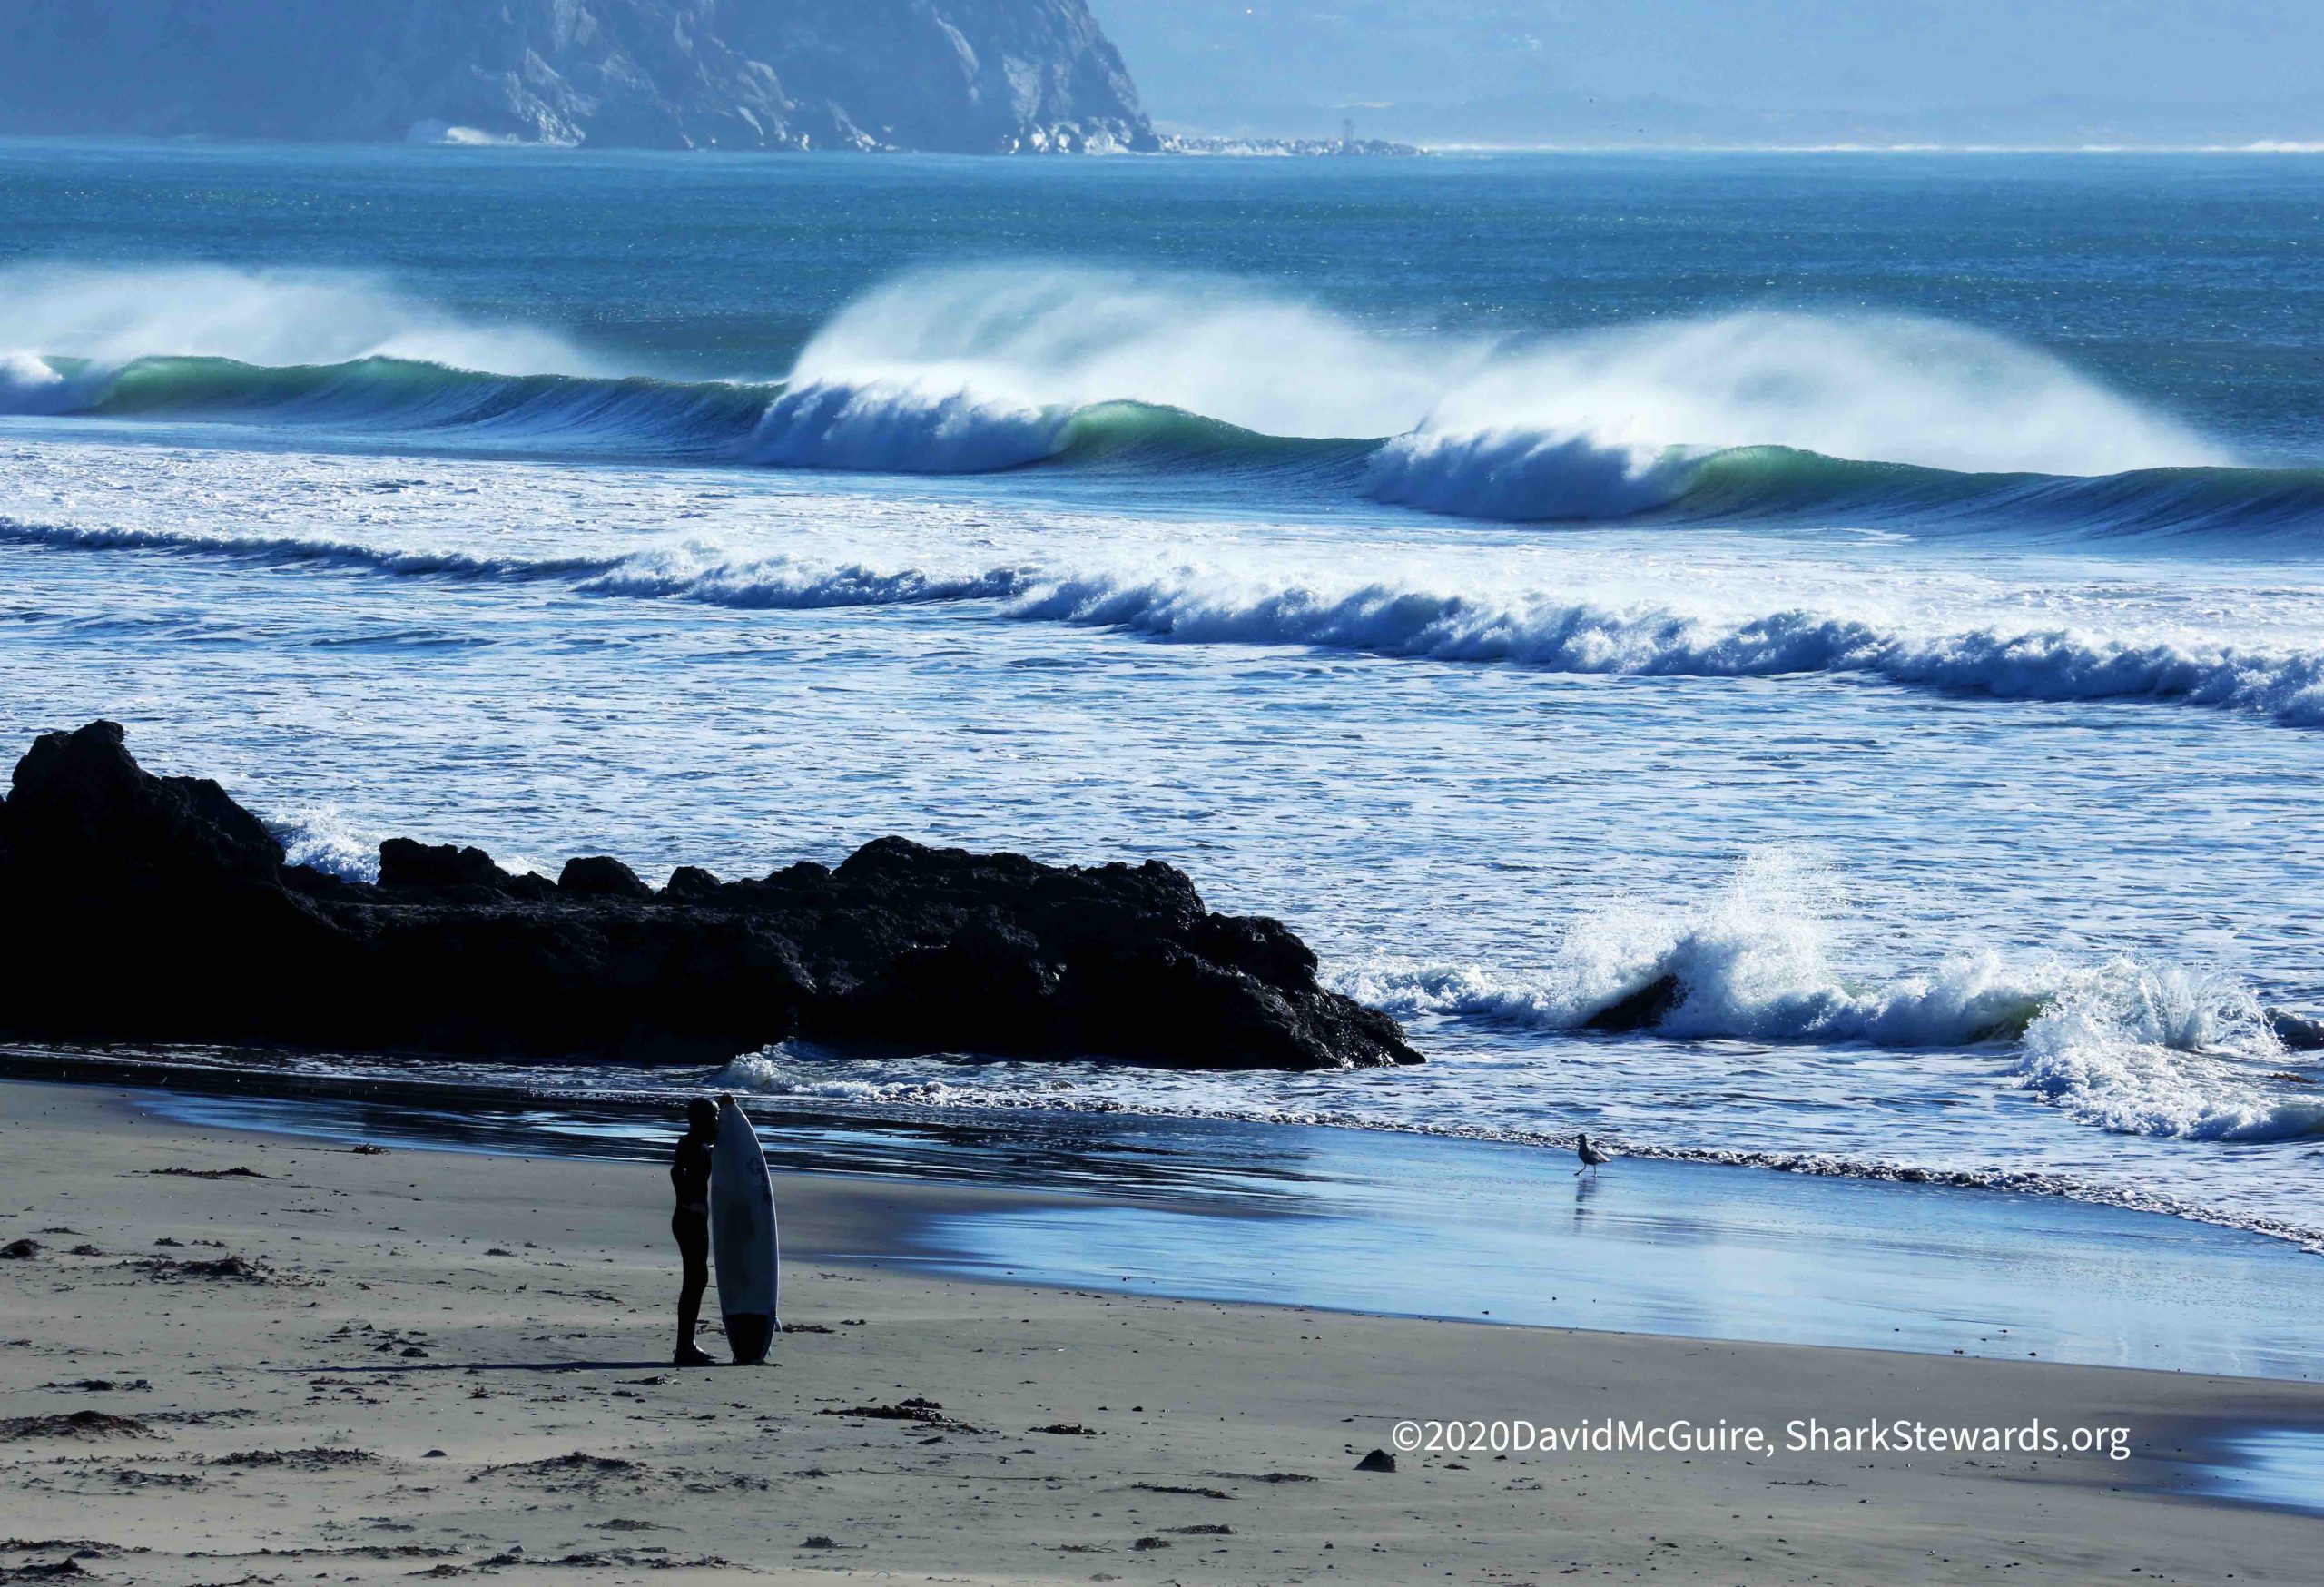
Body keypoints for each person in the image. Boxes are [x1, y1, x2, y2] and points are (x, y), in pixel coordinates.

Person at [671, 1097, 718, 1366]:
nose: (717, 1121)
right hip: (689, 1220)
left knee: (696, 1280)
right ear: (701, 1120)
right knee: (695, 1281)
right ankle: (684, 1348)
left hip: (687, 1219)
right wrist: (690, 1202)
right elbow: (678, 1172)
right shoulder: (694, 1146)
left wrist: (729, 1107)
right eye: (714, 1116)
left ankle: (686, 1345)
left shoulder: (695, 1144)